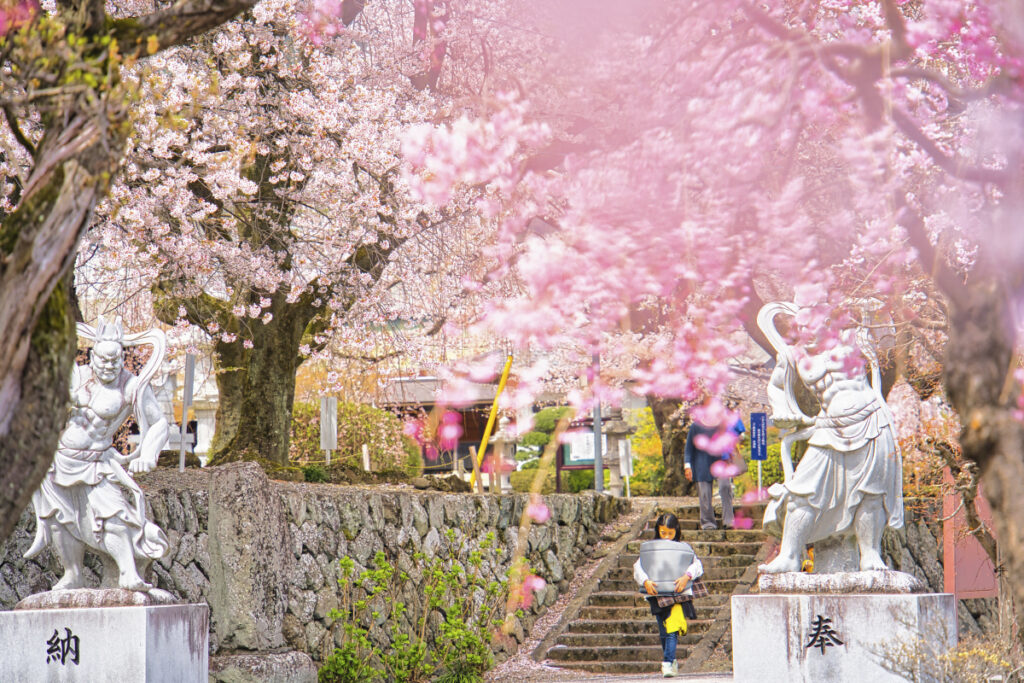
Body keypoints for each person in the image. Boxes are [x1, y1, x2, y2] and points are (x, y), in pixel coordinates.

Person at [756, 301, 903, 573]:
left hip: (870, 420)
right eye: (800, 328)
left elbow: (886, 334)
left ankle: (870, 554)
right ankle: (789, 555)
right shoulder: (793, 356)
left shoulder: (850, 338)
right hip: (828, 427)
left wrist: (874, 307)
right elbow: (776, 387)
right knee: (802, 490)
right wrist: (784, 410)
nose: (806, 333)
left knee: (871, 493)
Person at [24, 318, 170, 591]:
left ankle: (128, 572)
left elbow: (160, 423)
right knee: (59, 517)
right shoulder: (77, 376)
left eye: (115, 360)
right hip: (60, 458)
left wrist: (148, 452)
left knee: (112, 512)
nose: (108, 366)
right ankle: (72, 573)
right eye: (102, 360)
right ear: (92, 356)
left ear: (123, 358)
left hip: (97, 460)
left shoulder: (131, 386)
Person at [633, 513, 704, 678]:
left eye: (670, 533)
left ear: (676, 531)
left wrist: (687, 576)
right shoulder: (651, 549)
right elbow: (638, 566)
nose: (666, 537)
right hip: (657, 593)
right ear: (658, 531)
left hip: (677, 593)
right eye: (663, 533)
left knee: (671, 628)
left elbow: (697, 565)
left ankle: (667, 662)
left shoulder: (683, 548)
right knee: (663, 630)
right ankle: (671, 662)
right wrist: (645, 582)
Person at [683, 400, 735, 530]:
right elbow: (689, 449)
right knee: (705, 494)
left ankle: (729, 520)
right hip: (701, 462)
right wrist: (687, 466)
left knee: (725, 487)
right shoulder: (695, 426)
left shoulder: (722, 425)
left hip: (720, 461)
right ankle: (707, 523)